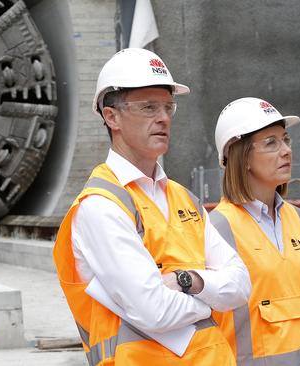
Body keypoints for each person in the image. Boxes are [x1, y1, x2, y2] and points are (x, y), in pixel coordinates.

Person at [53, 48, 251, 365]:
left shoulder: (184, 199)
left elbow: (241, 285)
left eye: (168, 107)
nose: (163, 118)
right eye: (148, 108)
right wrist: (211, 298)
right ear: (111, 116)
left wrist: (188, 281)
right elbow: (154, 310)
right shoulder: (100, 206)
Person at [210, 97, 300, 365]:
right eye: (271, 143)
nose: (286, 151)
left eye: (285, 139)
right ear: (241, 156)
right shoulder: (216, 228)